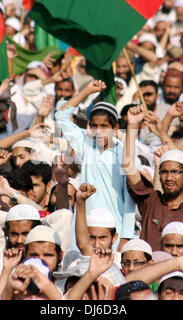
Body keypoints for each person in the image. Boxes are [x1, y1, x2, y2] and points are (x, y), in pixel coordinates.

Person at [123, 104, 183, 266]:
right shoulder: (151, 201)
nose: (169, 178)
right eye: (164, 172)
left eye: (175, 172)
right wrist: (132, 126)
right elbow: (129, 167)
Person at [55, 80, 138, 251]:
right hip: (84, 227)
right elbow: (61, 116)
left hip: (114, 230)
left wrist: (125, 236)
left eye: (104, 126)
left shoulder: (124, 152)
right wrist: (86, 91)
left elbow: (130, 198)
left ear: (115, 128)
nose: (99, 130)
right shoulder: (86, 146)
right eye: (95, 126)